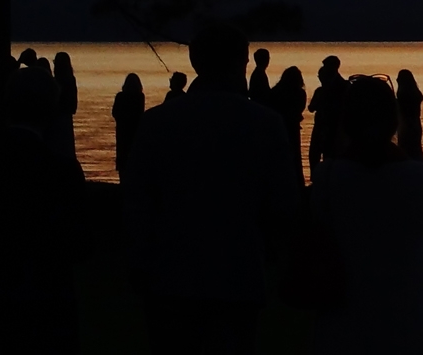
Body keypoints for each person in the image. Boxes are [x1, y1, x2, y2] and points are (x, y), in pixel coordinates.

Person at [124, 24, 299, 354]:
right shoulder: (265, 123)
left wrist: (140, 261)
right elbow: (284, 203)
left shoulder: (157, 122)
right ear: (239, 63)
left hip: (170, 277)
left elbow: (136, 201)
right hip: (238, 277)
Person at [0, 67, 87, 354]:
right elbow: (80, 245)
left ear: (7, 105)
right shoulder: (63, 172)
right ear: (51, 110)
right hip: (49, 320)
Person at [308, 75, 423, 355]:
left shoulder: (327, 179)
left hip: (342, 323)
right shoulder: (420, 179)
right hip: (409, 319)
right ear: (393, 120)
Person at [309, 56, 350, 177]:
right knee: (315, 154)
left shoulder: (342, 86)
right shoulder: (324, 89)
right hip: (323, 125)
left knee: (330, 155)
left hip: (333, 128)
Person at [270, 65, 309, 187]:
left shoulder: (276, 92)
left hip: (280, 127)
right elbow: (300, 108)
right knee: (295, 158)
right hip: (293, 127)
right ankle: (297, 185)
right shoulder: (300, 93)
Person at [111, 73, 145, 179]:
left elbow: (115, 112)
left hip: (122, 129)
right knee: (133, 154)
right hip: (135, 129)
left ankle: (123, 179)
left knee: (122, 153)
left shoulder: (120, 96)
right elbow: (140, 112)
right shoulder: (140, 97)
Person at [50, 52, 79, 161]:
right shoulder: (71, 79)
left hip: (58, 118)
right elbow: (73, 105)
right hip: (66, 117)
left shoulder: (57, 81)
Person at [396, 69, 423, 164]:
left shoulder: (404, 95)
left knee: (406, 149)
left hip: (406, 126)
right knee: (416, 149)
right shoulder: (414, 94)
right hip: (415, 125)